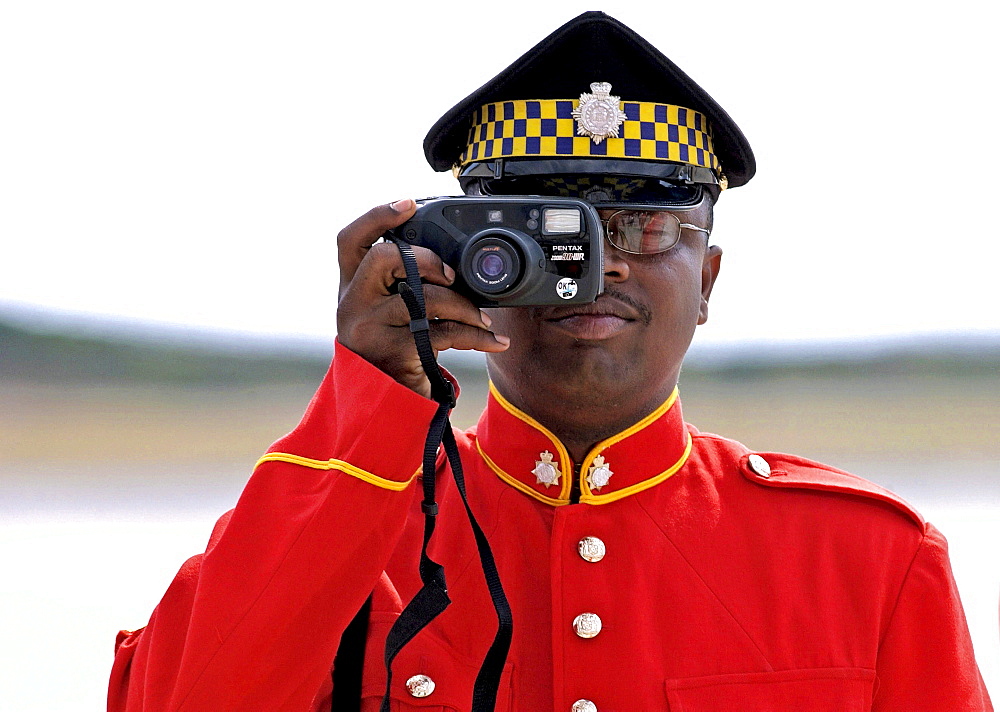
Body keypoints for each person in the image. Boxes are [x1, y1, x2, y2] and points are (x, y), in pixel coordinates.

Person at [108, 11, 992, 711]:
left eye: (646, 227)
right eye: (548, 231)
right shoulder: (346, 537)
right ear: (463, 254)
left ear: (710, 278)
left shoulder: (865, 565)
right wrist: (366, 407)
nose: (600, 267)